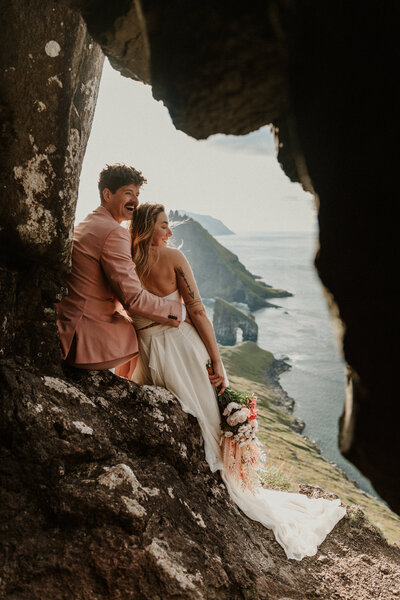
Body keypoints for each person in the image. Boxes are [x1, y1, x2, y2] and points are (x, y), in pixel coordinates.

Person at [120, 203, 346, 561]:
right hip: (182, 348)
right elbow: (196, 310)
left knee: (188, 420)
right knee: (206, 420)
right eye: (164, 226)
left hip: (147, 350)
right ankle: (223, 485)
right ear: (149, 228)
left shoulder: (124, 262)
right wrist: (218, 360)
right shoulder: (173, 258)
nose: (170, 233)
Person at [56, 165, 186, 371]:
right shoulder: (114, 233)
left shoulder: (88, 222)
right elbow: (132, 299)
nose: (135, 200)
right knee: (153, 333)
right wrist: (178, 311)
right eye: (128, 193)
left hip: (70, 328)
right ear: (107, 194)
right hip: (85, 340)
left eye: (137, 194)